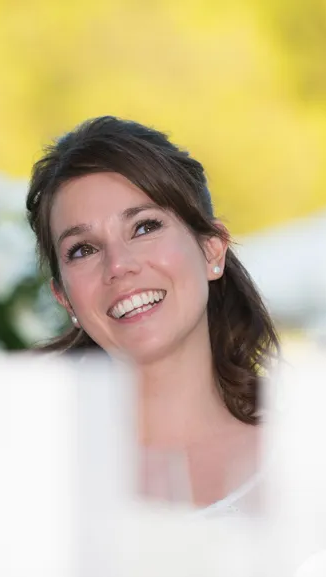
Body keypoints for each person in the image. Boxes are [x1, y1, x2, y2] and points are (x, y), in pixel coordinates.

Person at [25, 116, 280, 517]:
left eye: (144, 227)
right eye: (83, 249)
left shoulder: (310, 459)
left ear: (212, 251)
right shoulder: (30, 478)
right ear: (65, 298)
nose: (119, 265)